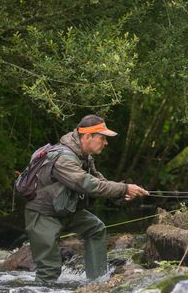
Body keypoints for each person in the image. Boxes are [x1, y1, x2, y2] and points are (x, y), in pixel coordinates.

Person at [24, 114, 149, 283]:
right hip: (43, 214)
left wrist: (122, 194)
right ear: (87, 137)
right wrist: (124, 188)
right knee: (49, 270)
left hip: (65, 210)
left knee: (96, 229)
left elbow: (100, 181)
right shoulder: (63, 159)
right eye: (102, 138)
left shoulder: (84, 156)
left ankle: (97, 282)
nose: (106, 143)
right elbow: (88, 185)